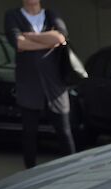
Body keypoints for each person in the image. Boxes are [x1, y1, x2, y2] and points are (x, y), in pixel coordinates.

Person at [4, 1, 76, 169]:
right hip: (29, 83)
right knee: (29, 133)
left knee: (64, 131)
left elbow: (60, 38)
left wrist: (29, 36)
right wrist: (47, 41)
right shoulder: (13, 15)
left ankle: (73, 170)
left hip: (54, 85)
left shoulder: (51, 15)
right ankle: (30, 171)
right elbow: (19, 43)